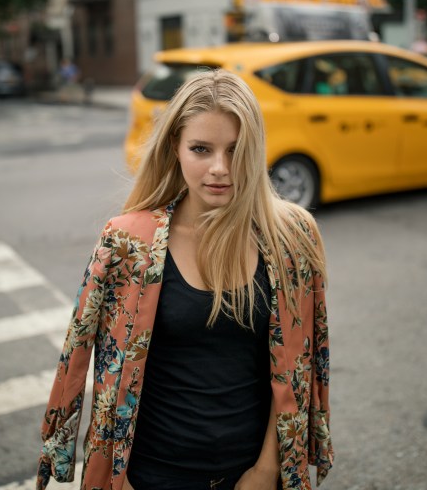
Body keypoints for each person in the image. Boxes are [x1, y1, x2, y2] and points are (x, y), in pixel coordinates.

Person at [37, 69, 333, 490]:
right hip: (153, 474)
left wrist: (267, 470)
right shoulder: (127, 242)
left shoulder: (291, 237)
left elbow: (298, 364)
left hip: (253, 474)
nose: (220, 168)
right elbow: (88, 359)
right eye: (201, 149)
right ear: (175, 147)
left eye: (236, 150)